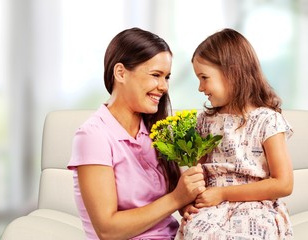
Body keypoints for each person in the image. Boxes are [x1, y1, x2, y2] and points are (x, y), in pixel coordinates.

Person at [67, 27, 206, 240]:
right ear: (121, 73)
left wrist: (188, 205)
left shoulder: (157, 131)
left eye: (167, 77)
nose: (163, 86)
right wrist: (177, 199)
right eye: (155, 75)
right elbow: (108, 230)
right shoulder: (93, 136)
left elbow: (182, 200)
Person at [176, 28, 294, 239]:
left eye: (204, 77)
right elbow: (197, 173)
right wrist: (187, 203)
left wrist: (222, 194)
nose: (200, 87)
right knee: (196, 232)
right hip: (211, 208)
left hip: (255, 206)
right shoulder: (205, 121)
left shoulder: (267, 120)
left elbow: (283, 183)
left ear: (233, 73)